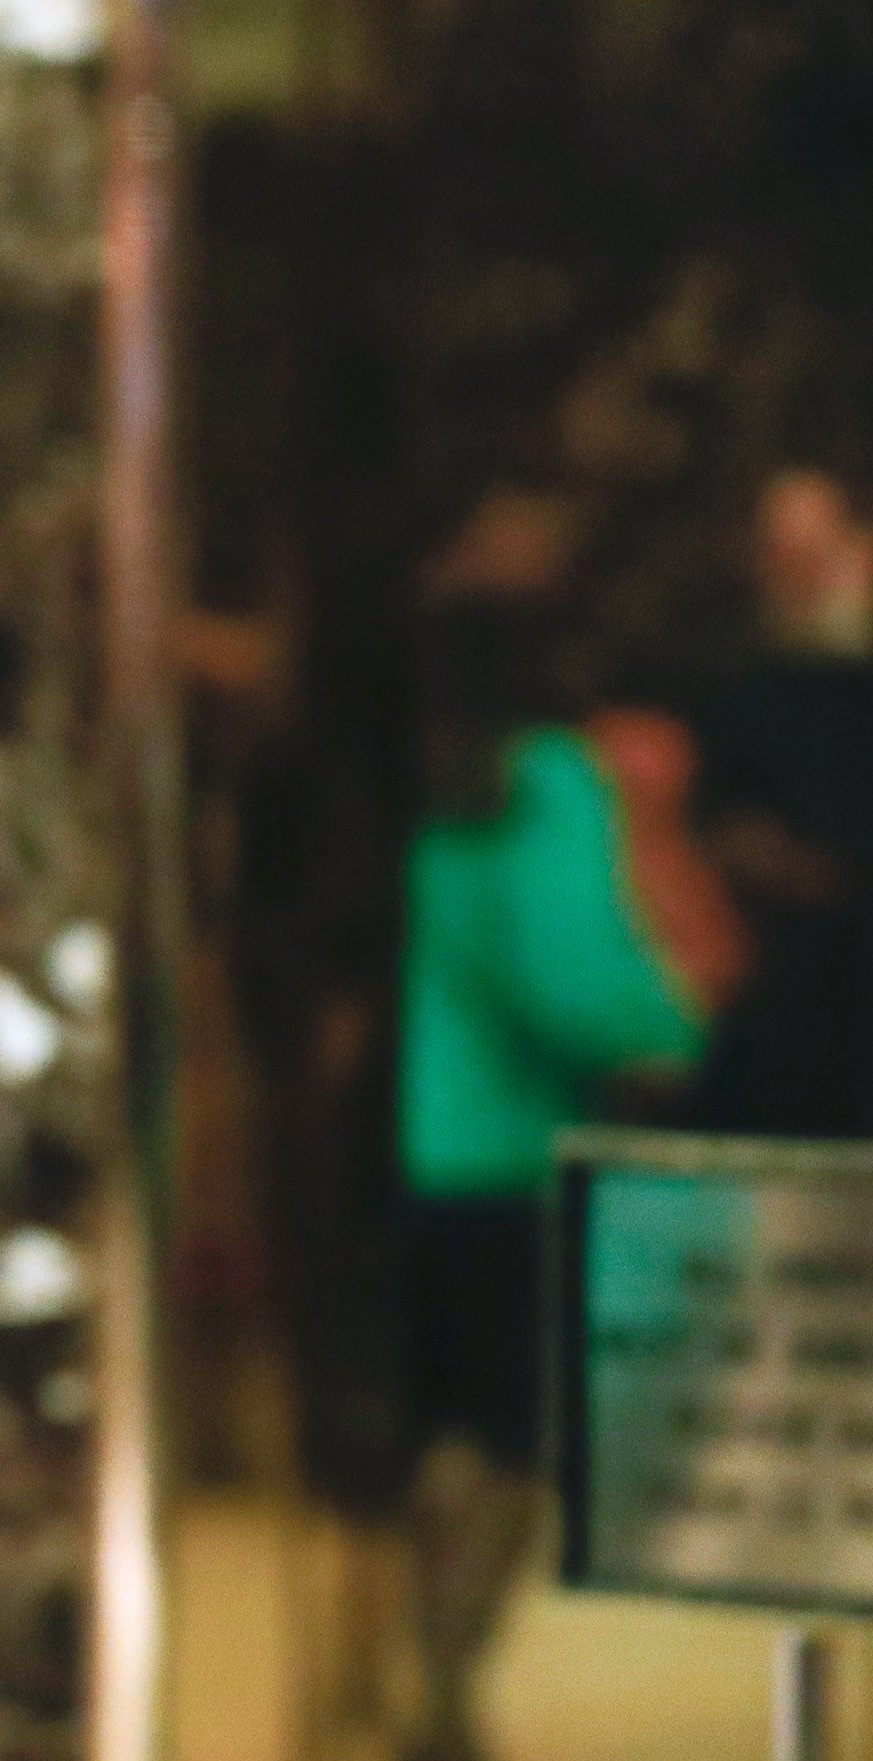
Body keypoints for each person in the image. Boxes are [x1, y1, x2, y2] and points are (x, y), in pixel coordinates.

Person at [395, 485, 744, 1761]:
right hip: (496, 1162)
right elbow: (585, 983)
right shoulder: (540, 777)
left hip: (367, 1158)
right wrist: (686, 1012)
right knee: (504, 1444)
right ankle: (432, 1689)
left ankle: (396, 1676)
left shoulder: (353, 764)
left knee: (407, 1440)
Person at [683, 461, 873, 1137]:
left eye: (815, 550)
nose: (797, 570)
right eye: (780, 550)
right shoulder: (733, 691)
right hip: (776, 1020)